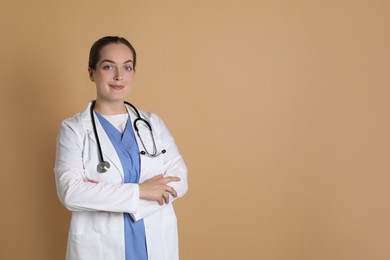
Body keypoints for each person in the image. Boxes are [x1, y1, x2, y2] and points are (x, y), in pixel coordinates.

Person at [54, 36, 188, 260]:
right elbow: (71, 192)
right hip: (100, 248)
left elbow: (179, 180)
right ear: (91, 73)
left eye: (127, 67)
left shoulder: (152, 124)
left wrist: (101, 196)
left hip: (155, 241)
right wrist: (142, 190)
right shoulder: (74, 129)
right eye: (108, 66)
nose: (119, 76)